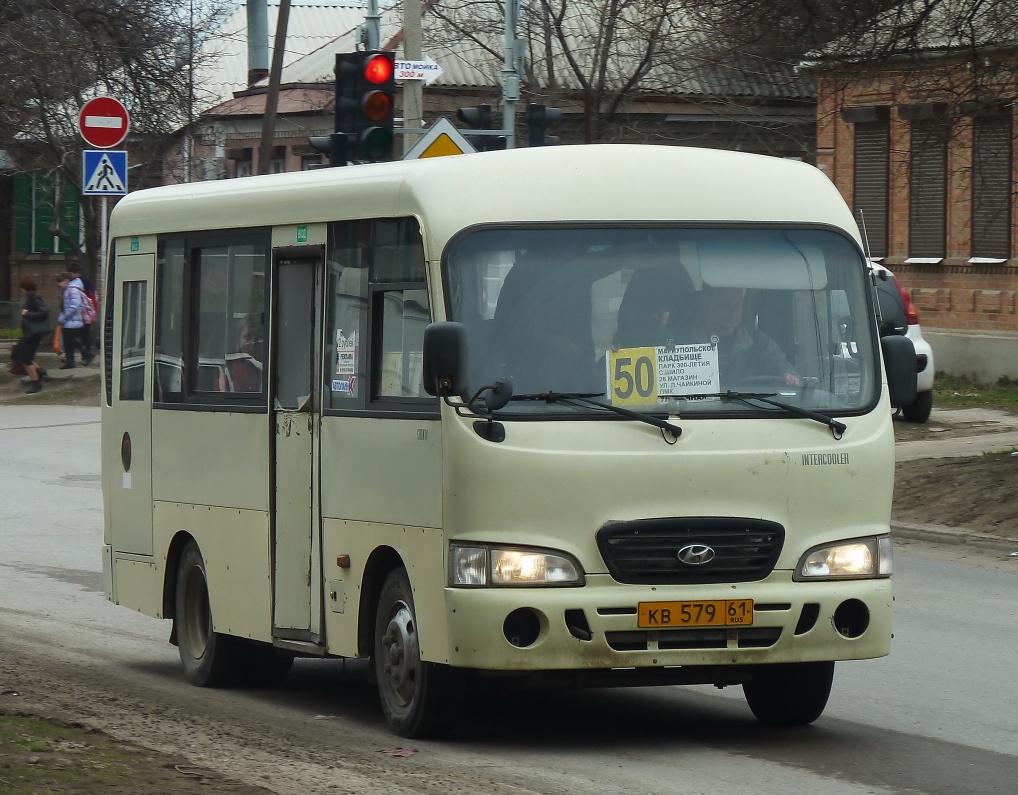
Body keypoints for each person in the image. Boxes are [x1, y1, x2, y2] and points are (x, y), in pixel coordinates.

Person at [691, 285, 799, 388]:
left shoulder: (760, 344)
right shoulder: (679, 342)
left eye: (737, 304)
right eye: (725, 304)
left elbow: (785, 370)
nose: (733, 311)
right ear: (705, 303)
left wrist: (788, 377)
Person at [13, 276, 51, 394]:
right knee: (19, 354)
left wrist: (28, 313)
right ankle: (40, 371)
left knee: (25, 359)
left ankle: (36, 383)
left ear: (25, 288)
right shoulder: (32, 296)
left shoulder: (35, 297)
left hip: (33, 334)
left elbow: (44, 311)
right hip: (30, 333)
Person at [56, 271, 95, 369]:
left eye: (60, 282)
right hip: (72, 320)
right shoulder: (70, 289)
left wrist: (64, 316)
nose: (59, 285)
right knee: (70, 342)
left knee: (70, 341)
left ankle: (83, 356)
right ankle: (74, 360)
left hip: (72, 321)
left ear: (65, 281)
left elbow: (74, 306)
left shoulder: (72, 290)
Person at [68, 263, 98, 354]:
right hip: (84, 312)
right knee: (84, 334)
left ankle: (86, 353)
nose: (71, 275)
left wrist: (93, 311)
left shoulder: (83, 282)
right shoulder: (86, 281)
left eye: (71, 273)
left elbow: (92, 296)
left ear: (77, 272)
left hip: (84, 312)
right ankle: (86, 353)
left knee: (83, 334)